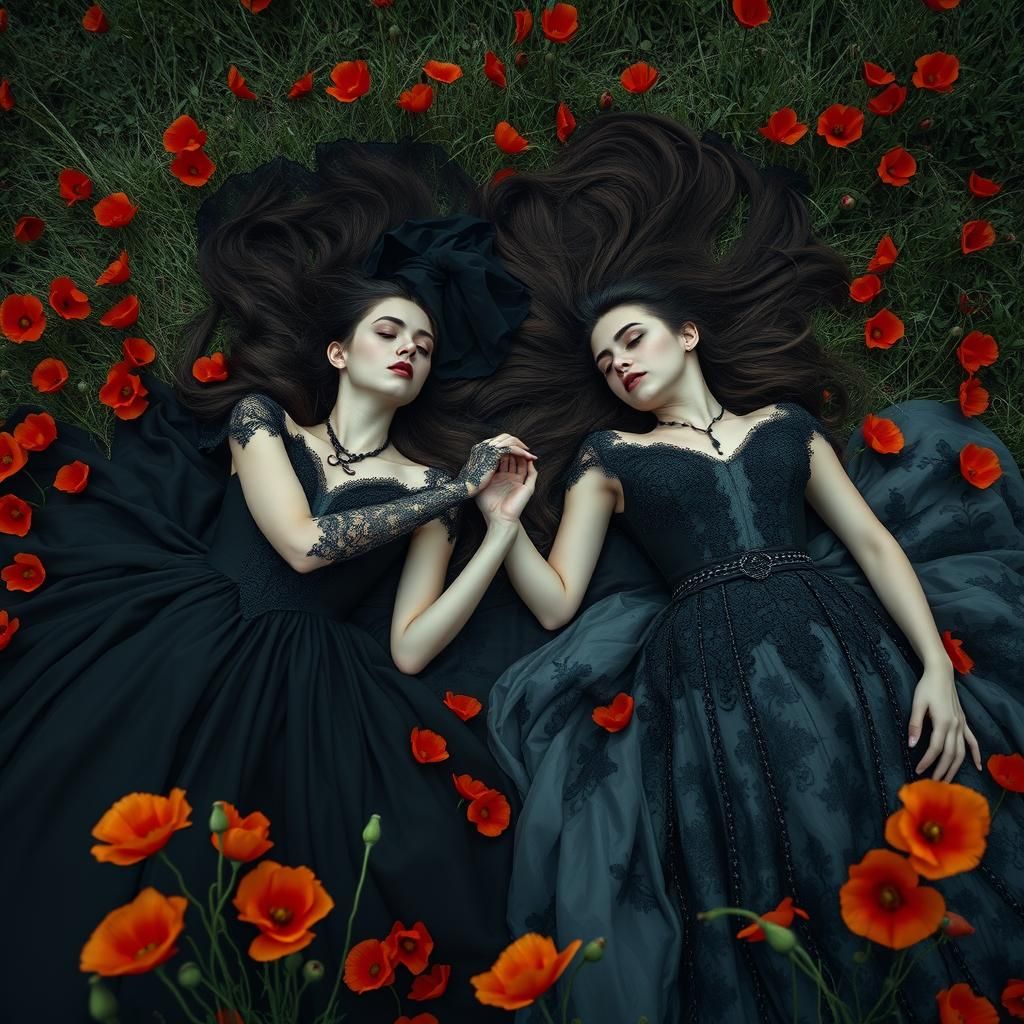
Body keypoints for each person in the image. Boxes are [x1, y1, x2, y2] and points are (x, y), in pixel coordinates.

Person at [474, 113, 1024, 1023]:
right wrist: (502, 527)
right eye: (607, 360)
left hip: (837, 640)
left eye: (634, 342)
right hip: (710, 668)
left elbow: (874, 545)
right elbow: (555, 602)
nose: (619, 366)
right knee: (775, 837)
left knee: (884, 804)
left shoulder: (787, 428)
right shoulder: (610, 457)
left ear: (686, 334)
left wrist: (932, 664)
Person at [0, 138, 535, 1023]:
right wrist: (453, 485)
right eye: (389, 330)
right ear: (338, 352)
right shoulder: (264, 423)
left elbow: (409, 648)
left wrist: (492, 528)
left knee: (236, 890)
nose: (407, 349)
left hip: (307, 687)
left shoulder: (429, 499)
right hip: (189, 633)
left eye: (425, 345)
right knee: (92, 824)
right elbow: (297, 541)